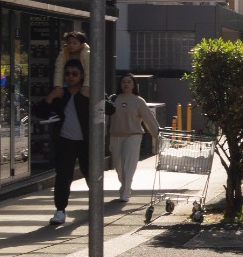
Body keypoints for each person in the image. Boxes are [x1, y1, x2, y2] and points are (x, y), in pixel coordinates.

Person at [35, 59, 94, 227]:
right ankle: (60, 210)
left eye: (75, 73)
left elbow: (110, 109)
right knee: (63, 176)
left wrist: (94, 96)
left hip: (88, 142)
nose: (70, 77)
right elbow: (39, 112)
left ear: (82, 75)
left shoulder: (88, 91)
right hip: (65, 141)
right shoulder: (60, 93)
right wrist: (51, 96)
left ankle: (95, 204)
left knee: (91, 174)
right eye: (67, 73)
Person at [107, 73, 162, 206]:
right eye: (123, 81)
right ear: (120, 84)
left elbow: (149, 119)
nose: (126, 84)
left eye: (129, 82)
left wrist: (157, 135)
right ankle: (125, 185)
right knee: (119, 166)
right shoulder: (113, 99)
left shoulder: (138, 101)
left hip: (133, 136)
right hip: (115, 136)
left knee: (128, 165)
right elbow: (105, 118)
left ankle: (125, 192)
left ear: (134, 85)